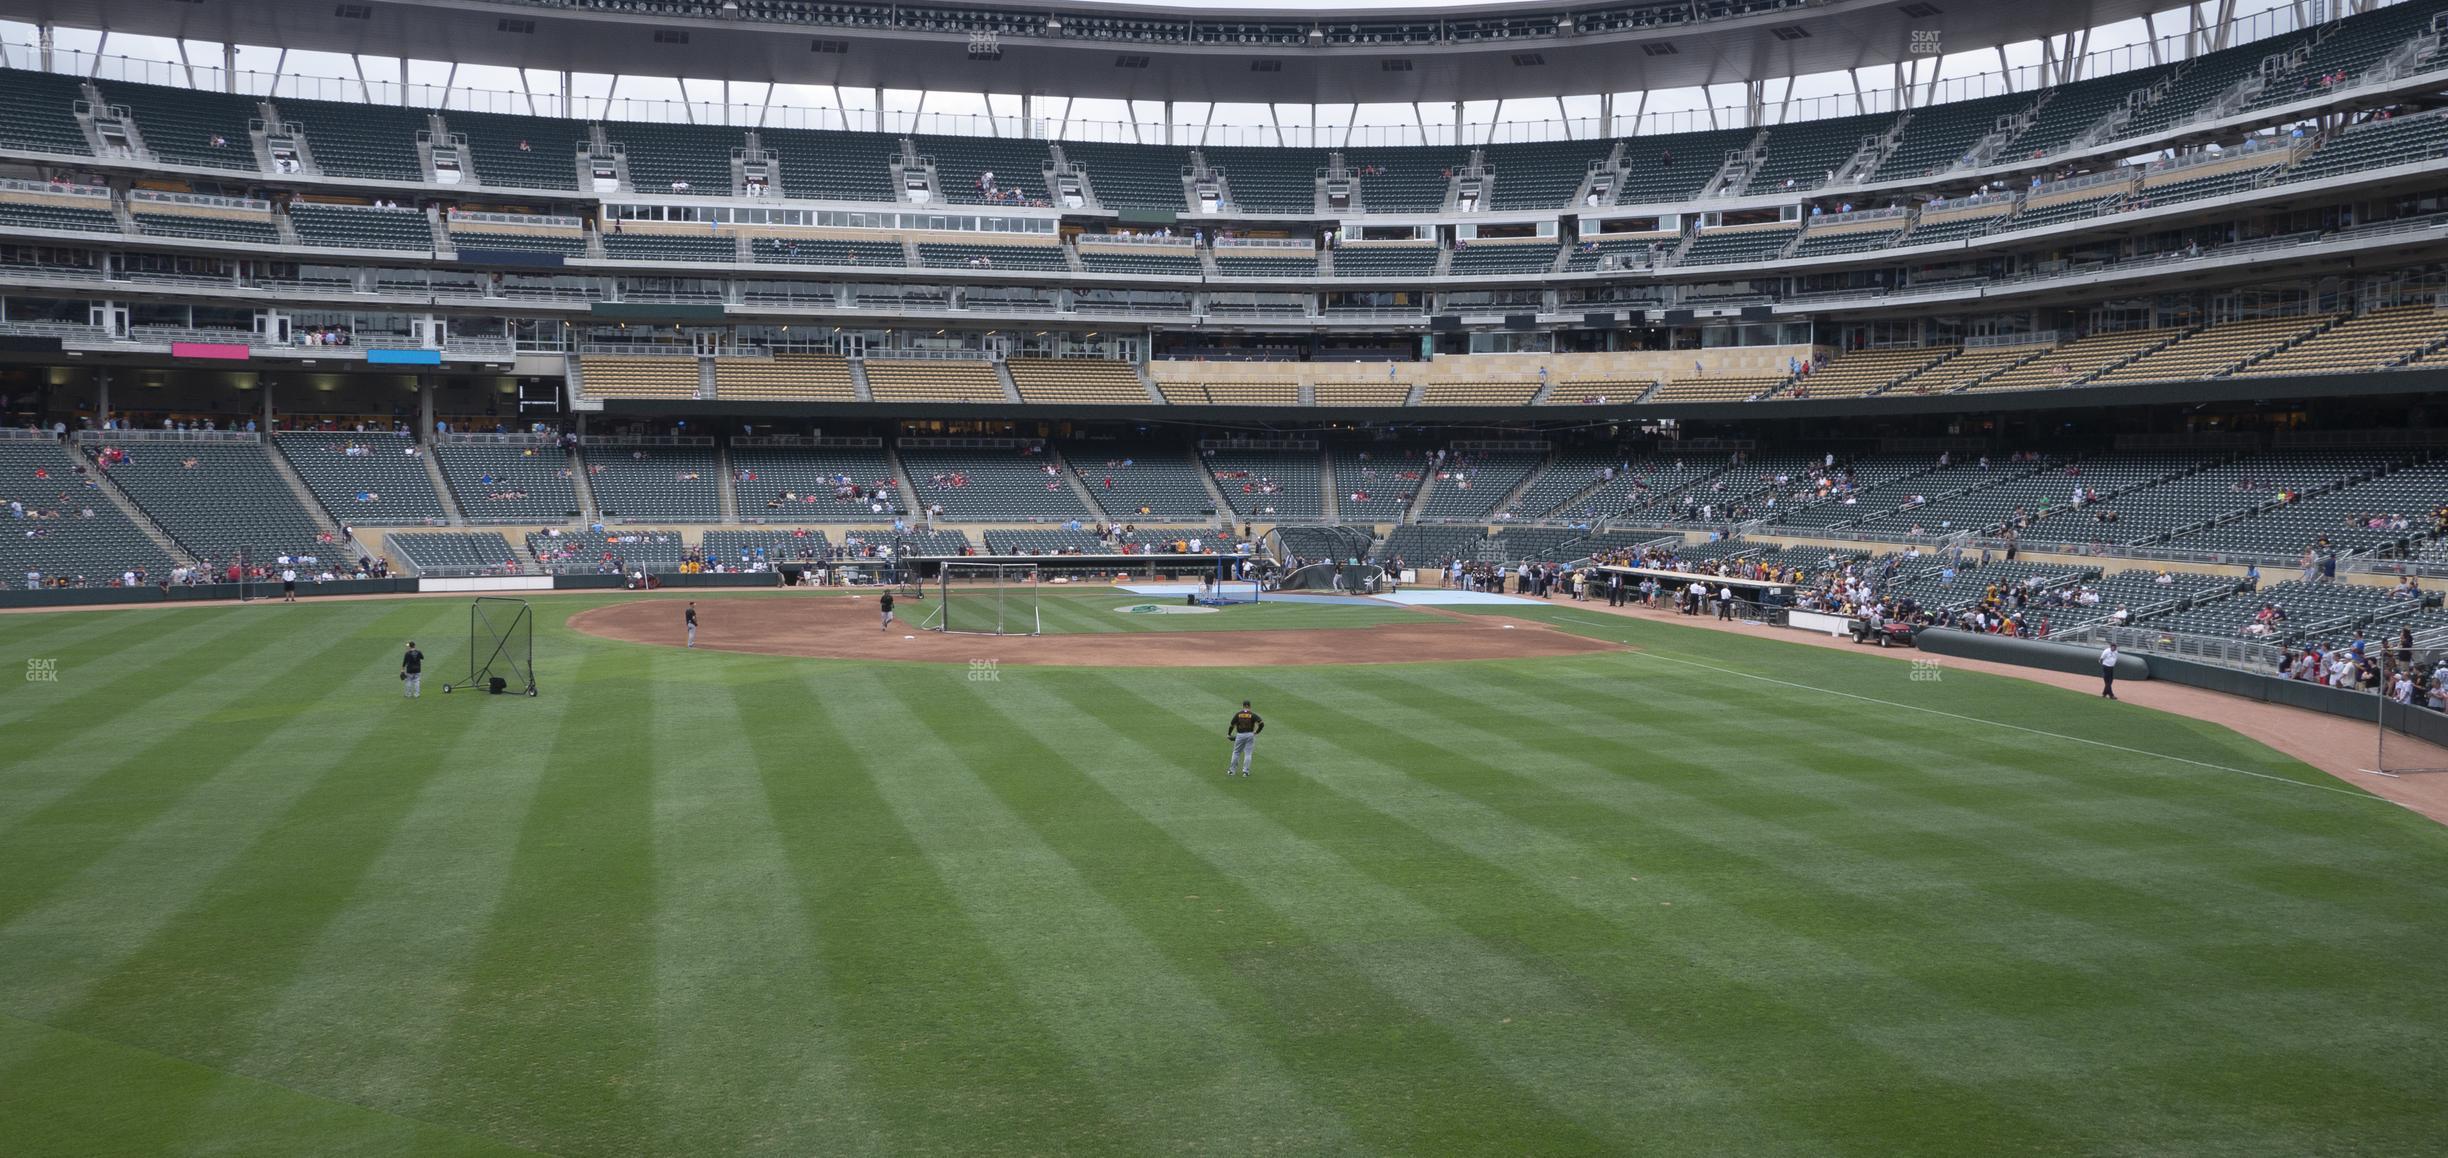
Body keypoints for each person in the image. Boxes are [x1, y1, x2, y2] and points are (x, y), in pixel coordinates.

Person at [1226, 699, 1264, 778]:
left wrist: (1229, 734)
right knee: (1248, 753)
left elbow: (1231, 725)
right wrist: (1257, 732)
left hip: (1240, 735)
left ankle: (1232, 771)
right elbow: (1262, 723)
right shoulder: (1252, 715)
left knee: (1236, 752)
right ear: (1249, 706)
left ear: (1243, 706)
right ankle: (1245, 772)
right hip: (1250, 735)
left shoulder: (1238, 714)